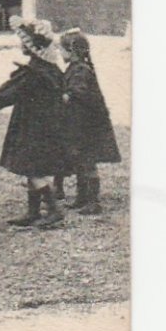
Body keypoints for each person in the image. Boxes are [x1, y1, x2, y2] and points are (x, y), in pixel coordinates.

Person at [0, 18, 70, 229]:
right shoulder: (51, 69)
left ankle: (53, 210)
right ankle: (33, 211)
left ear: (32, 47)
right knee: (33, 167)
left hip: (33, 126)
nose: (21, 45)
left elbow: (10, 91)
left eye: (24, 42)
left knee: (33, 168)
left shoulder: (34, 72)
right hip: (46, 124)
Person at [55, 29, 120, 216]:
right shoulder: (77, 68)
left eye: (62, 49)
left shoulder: (80, 70)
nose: (60, 53)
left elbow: (78, 93)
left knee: (87, 162)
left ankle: (93, 201)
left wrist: (63, 97)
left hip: (86, 126)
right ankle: (82, 198)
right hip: (81, 124)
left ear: (72, 51)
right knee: (80, 161)